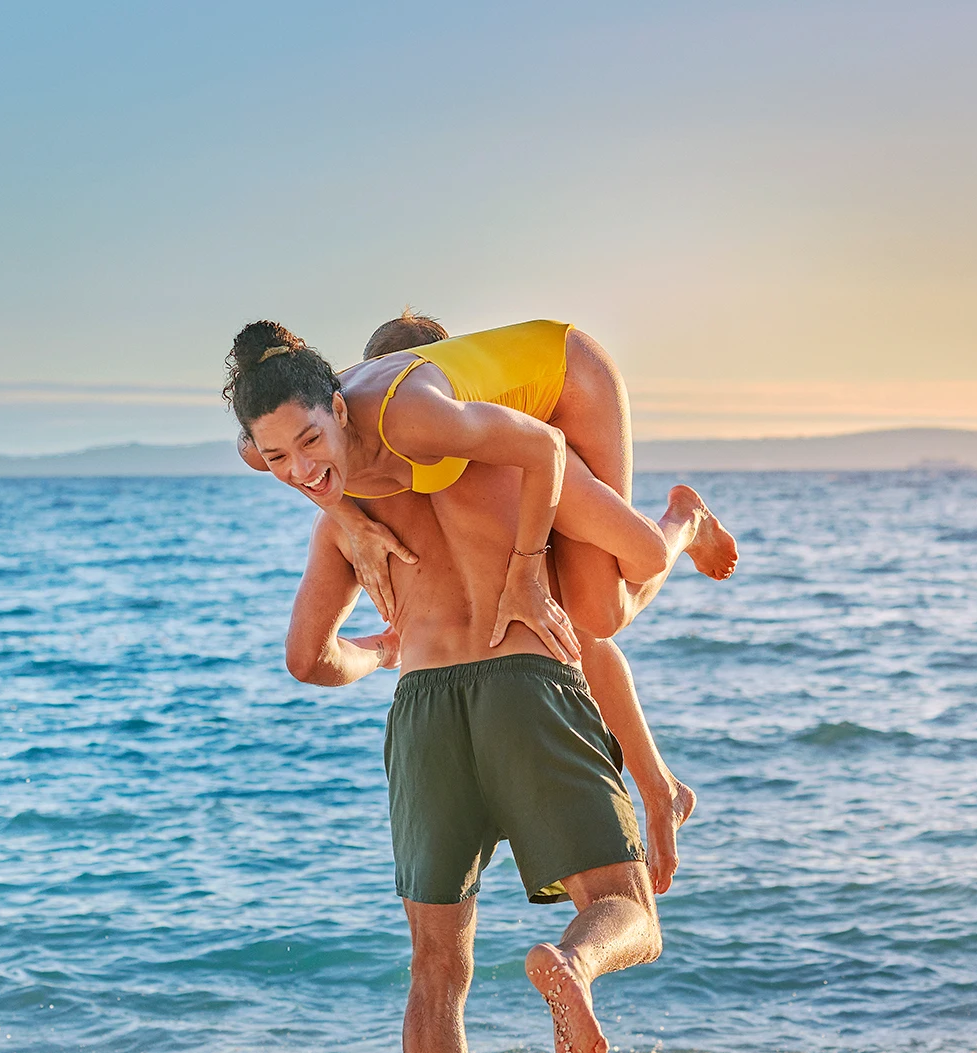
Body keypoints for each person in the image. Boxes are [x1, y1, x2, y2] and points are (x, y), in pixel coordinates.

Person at [271, 361, 665, 1053]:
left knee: (436, 976)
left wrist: (379, 647)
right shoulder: (507, 464)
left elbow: (305, 657)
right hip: (527, 681)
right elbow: (612, 599)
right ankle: (575, 965)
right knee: (621, 906)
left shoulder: (351, 509)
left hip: (423, 711)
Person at [232, 314, 736, 889]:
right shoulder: (296, 422)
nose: (292, 465)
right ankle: (662, 788)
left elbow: (541, 446)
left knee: (606, 605)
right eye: (280, 457)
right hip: (488, 429)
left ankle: (686, 520)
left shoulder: (431, 418)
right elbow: (289, 454)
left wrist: (524, 574)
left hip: (575, 377)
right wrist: (349, 517)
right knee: (574, 623)